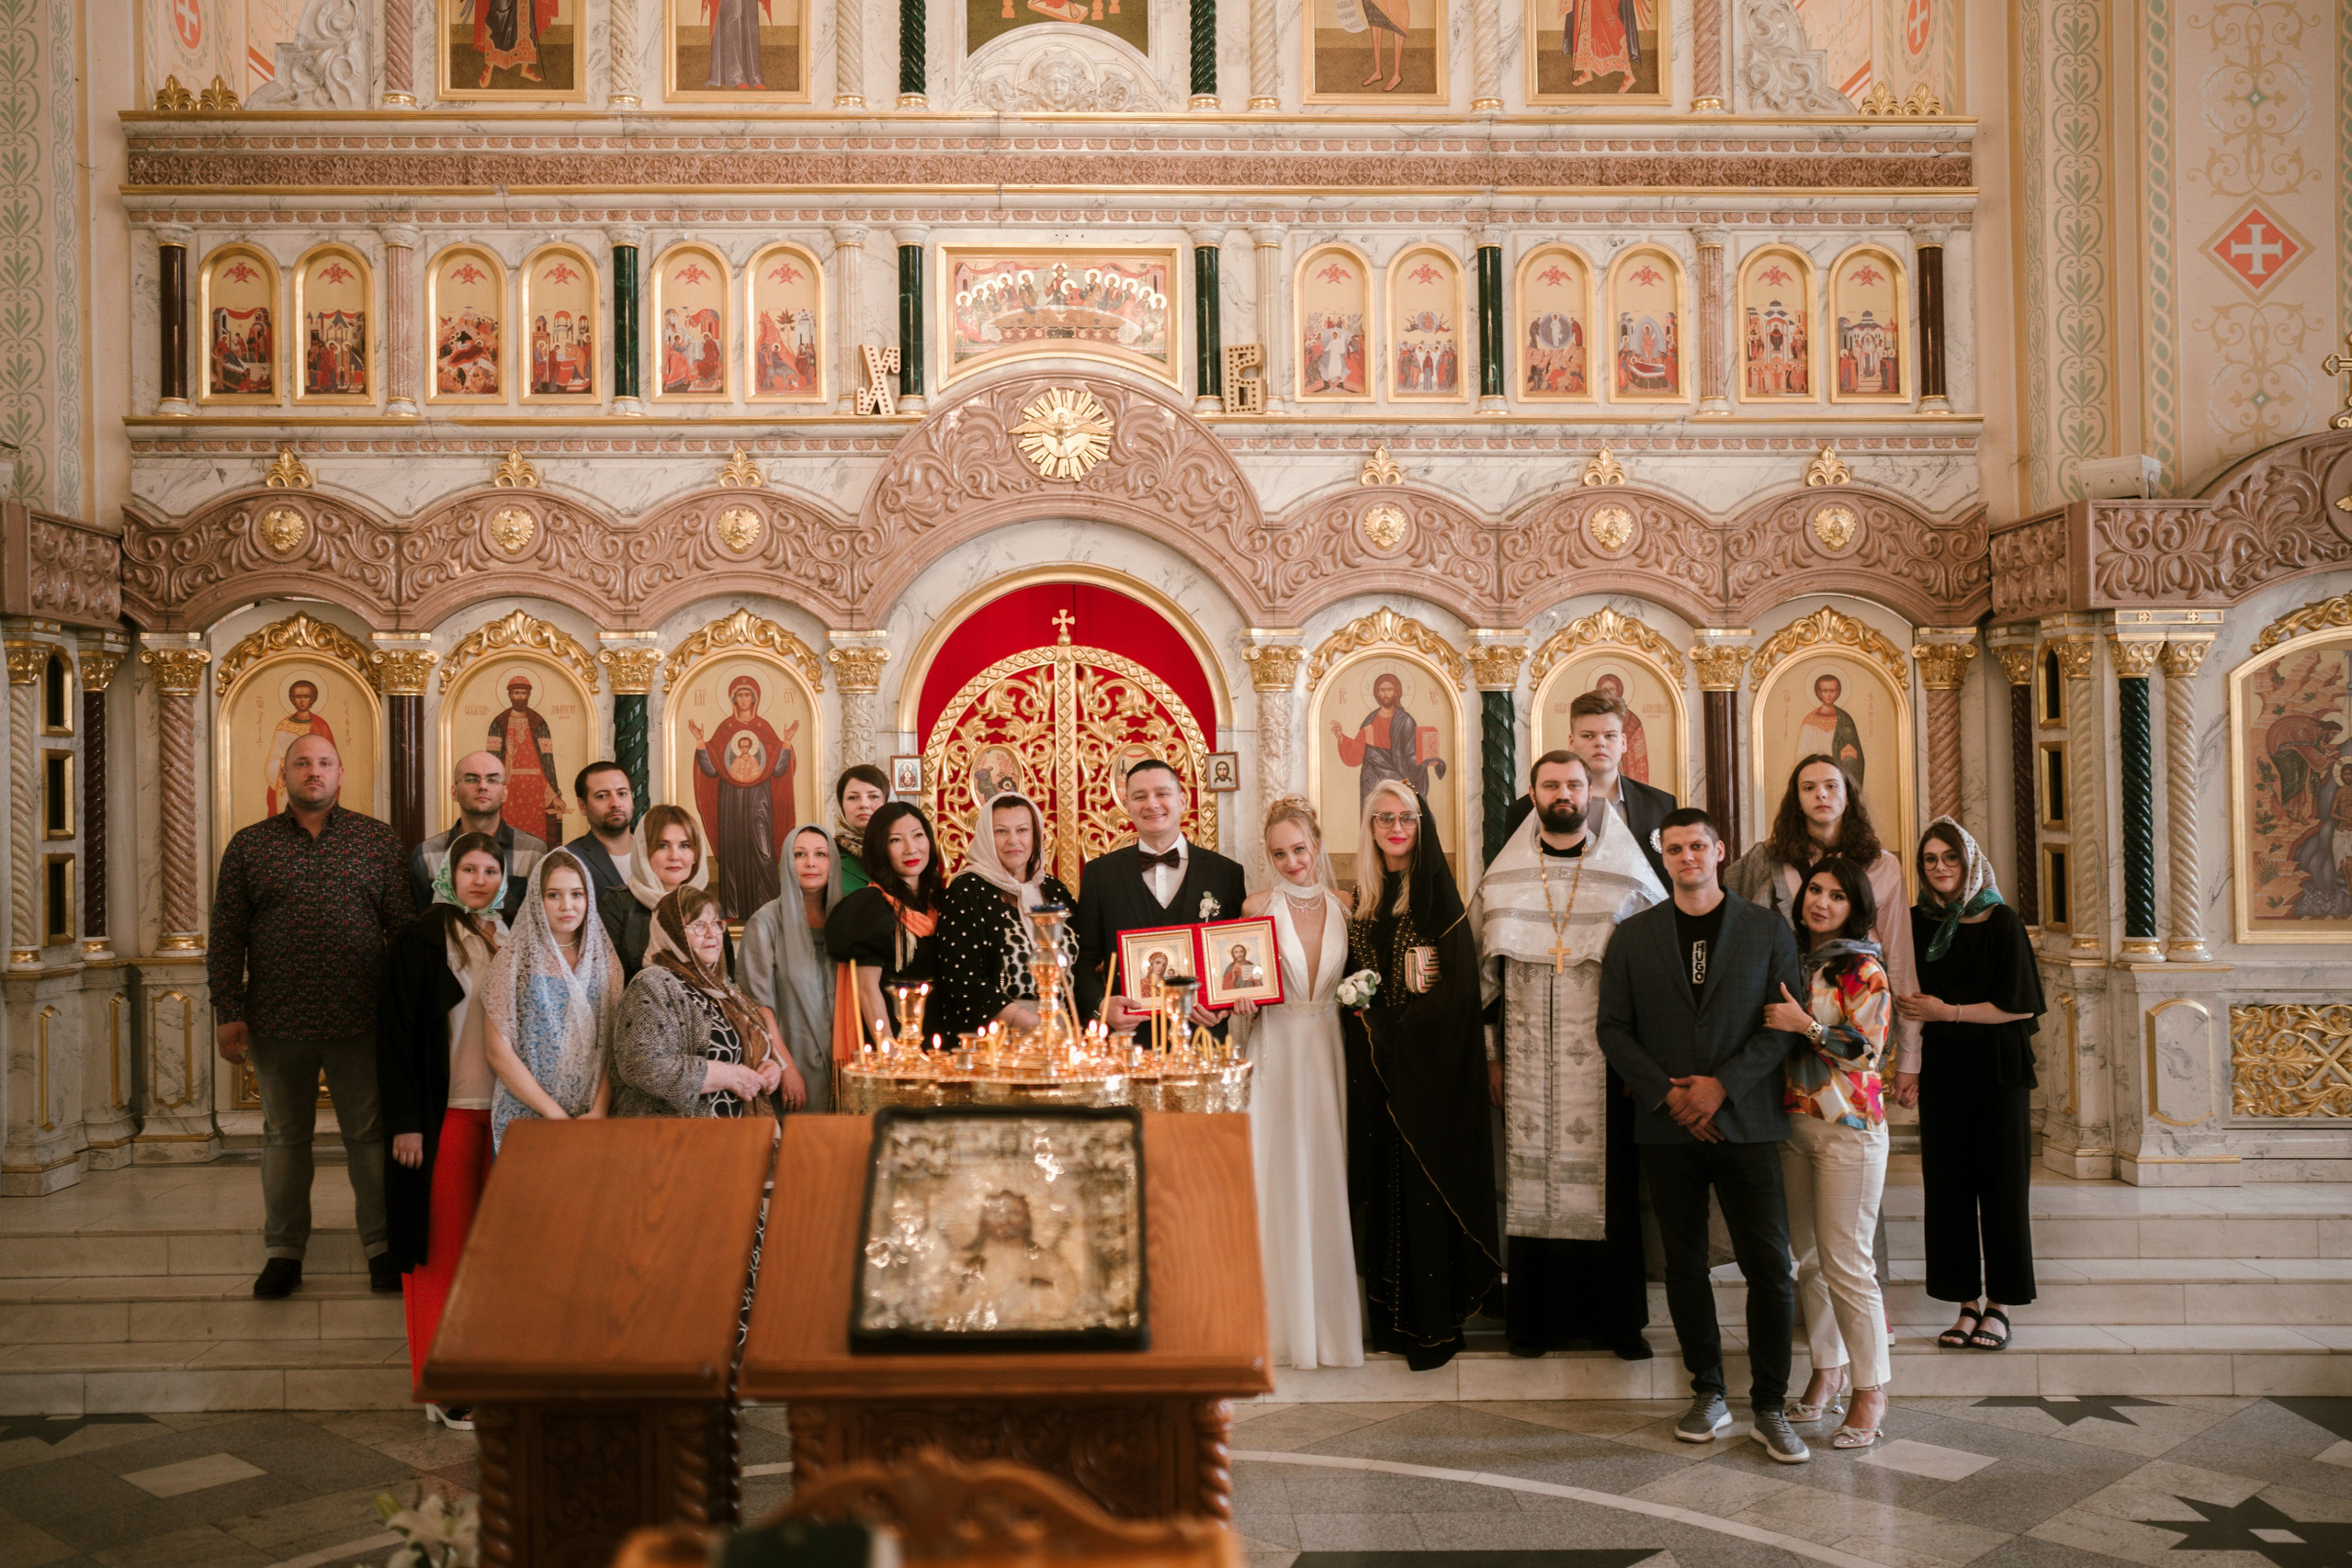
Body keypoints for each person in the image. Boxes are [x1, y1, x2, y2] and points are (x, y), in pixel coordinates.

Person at [1596, 808, 1811, 1463]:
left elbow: (1783, 1023)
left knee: (1769, 1266)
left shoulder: (1766, 928)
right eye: (1675, 848)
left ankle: (1770, 1404)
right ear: (1663, 857)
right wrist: (1670, 1094)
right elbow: (1613, 1029)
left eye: (1698, 845)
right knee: (1684, 1265)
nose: (1688, 856)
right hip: (1667, 1129)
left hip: (1745, 1121)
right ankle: (1708, 1390)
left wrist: (1720, 1087)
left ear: (1721, 850)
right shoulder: (1633, 936)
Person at [1473, 750, 1664, 1361]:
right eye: (1550, 783)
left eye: (1573, 783)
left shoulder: (1628, 874)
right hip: (1526, 1057)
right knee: (1530, 1183)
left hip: (1604, 1058)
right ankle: (1533, 1323)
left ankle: (1618, 1323)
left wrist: (1643, 1066)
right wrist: (1493, 1057)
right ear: (1532, 793)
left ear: (1591, 792)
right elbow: (1483, 982)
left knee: (1609, 1187)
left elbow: (1653, 968)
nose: (1563, 792)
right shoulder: (1502, 879)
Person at [209, 731, 413, 1301]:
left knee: (369, 1138)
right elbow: (227, 935)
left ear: (341, 774)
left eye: (324, 763)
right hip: (277, 1019)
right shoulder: (250, 846)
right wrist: (229, 1009)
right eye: (302, 763)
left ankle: (381, 1248)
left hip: (361, 1018)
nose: (313, 772)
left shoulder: (375, 841)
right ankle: (284, 1253)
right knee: (283, 1138)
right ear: (285, 774)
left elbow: (401, 932)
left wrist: (401, 1015)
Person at [1343, 779, 1499, 1371]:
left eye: (1405, 816)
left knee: (1426, 1194)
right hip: (1379, 1076)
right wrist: (1362, 1014)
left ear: (1421, 821)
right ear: (1371, 827)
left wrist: (1387, 1025)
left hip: (1431, 1078)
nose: (1394, 827)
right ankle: (1390, 1324)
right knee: (1385, 1190)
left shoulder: (1439, 897)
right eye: (1383, 818)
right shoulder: (1363, 898)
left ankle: (1431, 1328)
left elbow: (1458, 994)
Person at [1894, 818, 2045, 1354]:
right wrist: (1907, 1061)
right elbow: (1906, 994)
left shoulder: (2000, 919)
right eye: (1930, 859)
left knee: (2002, 1188)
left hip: (1998, 1070)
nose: (1940, 868)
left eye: (1950, 858)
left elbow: (2022, 1003)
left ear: (1969, 861)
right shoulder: (1915, 922)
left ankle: (2000, 1305)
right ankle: (1964, 1305)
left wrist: (1947, 1011)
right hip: (1944, 1071)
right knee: (1949, 1191)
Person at [1760, 857, 1894, 1450]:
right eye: (1815, 890)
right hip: (1795, 1125)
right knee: (1809, 1258)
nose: (1821, 902)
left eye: (1837, 896)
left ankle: (1872, 1390)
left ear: (1854, 907)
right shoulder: (1790, 955)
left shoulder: (1862, 968)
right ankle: (1827, 1370)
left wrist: (1805, 1025)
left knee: (1847, 1261)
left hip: (1849, 1127)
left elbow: (1867, 1052)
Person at [377, 832, 506, 1431]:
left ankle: (480, 1371)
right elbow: (396, 1035)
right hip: (442, 1115)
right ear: (449, 874)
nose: (480, 878)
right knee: (439, 1253)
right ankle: (439, 1381)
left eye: (490, 869)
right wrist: (405, 1121)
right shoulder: (420, 938)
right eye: (469, 868)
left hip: (500, 1116)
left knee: (489, 1261)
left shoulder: (507, 938)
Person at [1234, 796, 1361, 1370]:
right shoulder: (1256, 904)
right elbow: (1243, 984)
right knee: (1277, 1171)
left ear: (1317, 846)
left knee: (1326, 1169)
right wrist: (1235, 999)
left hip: (1329, 1045)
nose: (1291, 862)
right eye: (1279, 853)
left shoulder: (1348, 905)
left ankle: (1331, 1330)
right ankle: (1278, 1328)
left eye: (1300, 850)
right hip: (1278, 1046)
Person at [1726, 756, 1920, 1095]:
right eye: (1809, 787)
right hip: (1774, 1021)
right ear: (1796, 800)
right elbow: (1732, 938)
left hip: (1849, 1022)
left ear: (1848, 797)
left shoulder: (1882, 865)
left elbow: (1900, 959)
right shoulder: (1765, 859)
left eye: (1832, 786)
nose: (1821, 795)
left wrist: (1910, 1059)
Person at [1075, 760, 1247, 1027]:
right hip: (1129, 1041)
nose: (1152, 804)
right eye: (1140, 797)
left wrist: (1224, 1007)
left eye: (1162, 793)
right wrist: (1101, 1006)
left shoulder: (1226, 874)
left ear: (1182, 799)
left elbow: (1235, 953)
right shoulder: (1100, 874)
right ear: (1127, 806)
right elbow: (1084, 959)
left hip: (1202, 1038)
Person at [482, 850, 623, 1149]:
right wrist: (553, 1113)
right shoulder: (515, 960)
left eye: (576, 894)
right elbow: (497, 1051)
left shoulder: (605, 962)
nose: (567, 906)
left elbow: (615, 1046)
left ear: (589, 899)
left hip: (590, 1118)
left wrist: (599, 1110)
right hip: (525, 1115)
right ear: (537, 899)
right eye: (554, 895)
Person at [615, 887, 786, 1117]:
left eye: (716, 923)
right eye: (698, 925)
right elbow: (642, 1066)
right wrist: (726, 1076)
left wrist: (770, 1067)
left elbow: (755, 1039)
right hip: (675, 1140)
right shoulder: (652, 984)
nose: (712, 933)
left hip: (734, 1139)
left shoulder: (722, 984)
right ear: (671, 933)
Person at [933, 793, 1077, 1041]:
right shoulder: (967, 890)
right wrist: (1033, 1024)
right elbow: (961, 979)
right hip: (1000, 1032)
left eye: (1022, 830)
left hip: (1063, 1027)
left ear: (1036, 835)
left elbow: (1082, 958)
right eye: (1001, 831)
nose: (1014, 841)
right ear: (987, 838)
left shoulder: (1053, 889)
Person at [1501, 690, 1677, 885]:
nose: (1600, 743)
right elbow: (1510, 880)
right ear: (1571, 742)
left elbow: (1668, 881)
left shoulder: (1661, 805)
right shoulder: (1525, 810)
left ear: (1624, 742)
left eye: (1610, 735)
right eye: (1588, 736)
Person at [826, 800, 946, 1044]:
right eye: (896, 840)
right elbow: (868, 990)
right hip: (898, 1045)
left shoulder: (941, 901)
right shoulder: (872, 906)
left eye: (918, 836)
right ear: (879, 848)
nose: (911, 849)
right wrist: (888, 1049)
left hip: (942, 1042)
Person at [740, 825, 839, 1113]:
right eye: (799, 854)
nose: (811, 862)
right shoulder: (765, 923)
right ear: (786, 862)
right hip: (792, 1064)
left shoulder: (845, 920)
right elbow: (758, 1008)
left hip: (844, 1064)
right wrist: (786, 1069)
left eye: (821, 854)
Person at [687, 674, 798, 919]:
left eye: (748, 694)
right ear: (733, 699)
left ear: (755, 698)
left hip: (760, 799)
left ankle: (769, 909)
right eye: (740, 694)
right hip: (730, 800)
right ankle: (734, 910)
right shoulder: (725, 729)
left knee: (763, 850)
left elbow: (779, 770)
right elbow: (711, 769)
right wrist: (701, 743)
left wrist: (787, 743)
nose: (744, 698)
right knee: (733, 849)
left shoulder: (764, 729)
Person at [408, 750, 547, 919]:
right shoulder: (427, 855)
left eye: (492, 780)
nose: (482, 786)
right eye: (471, 779)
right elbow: (420, 926)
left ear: (504, 793)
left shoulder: (534, 851)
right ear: (454, 792)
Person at [596, 804, 729, 981]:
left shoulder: (709, 907)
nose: (675, 856)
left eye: (685, 845)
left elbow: (726, 977)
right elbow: (608, 985)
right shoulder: (617, 905)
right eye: (663, 846)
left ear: (696, 854)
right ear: (643, 852)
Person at [484, 675, 567, 845]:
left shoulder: (539, 723)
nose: (520, 697)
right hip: (509, 786)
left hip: (536, 786)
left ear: (529, 695)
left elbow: (547, 759)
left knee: (536, 831)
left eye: (523, 693)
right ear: (510, 695)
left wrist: (554, 792)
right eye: (516, 693)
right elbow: (491, 759)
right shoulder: (499, 722)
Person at [564, 761, 636, 893]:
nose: (615, 803)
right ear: (582, 806)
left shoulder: (657, 849)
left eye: (622, 793)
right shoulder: (568, 860)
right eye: (602, 796)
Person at [832, 765, 888, 897]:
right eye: (853, 797)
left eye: (874, 796)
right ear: (841, 805)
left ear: (887, 802)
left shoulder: (906, 852)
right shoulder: (829, 857)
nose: (864, 804)